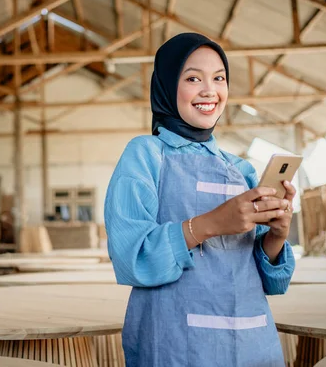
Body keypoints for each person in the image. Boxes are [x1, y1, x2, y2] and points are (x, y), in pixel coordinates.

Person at [104, 33, 296, 367]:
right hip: (175, 345)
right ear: (166, 86)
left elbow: (270, 280)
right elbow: (131, 258)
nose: (210, 90)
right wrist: (211, 224)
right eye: (193, 78)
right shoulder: (146, 155)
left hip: (252, 340)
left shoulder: (242, 170)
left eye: (219, 78)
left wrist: (277, 235)